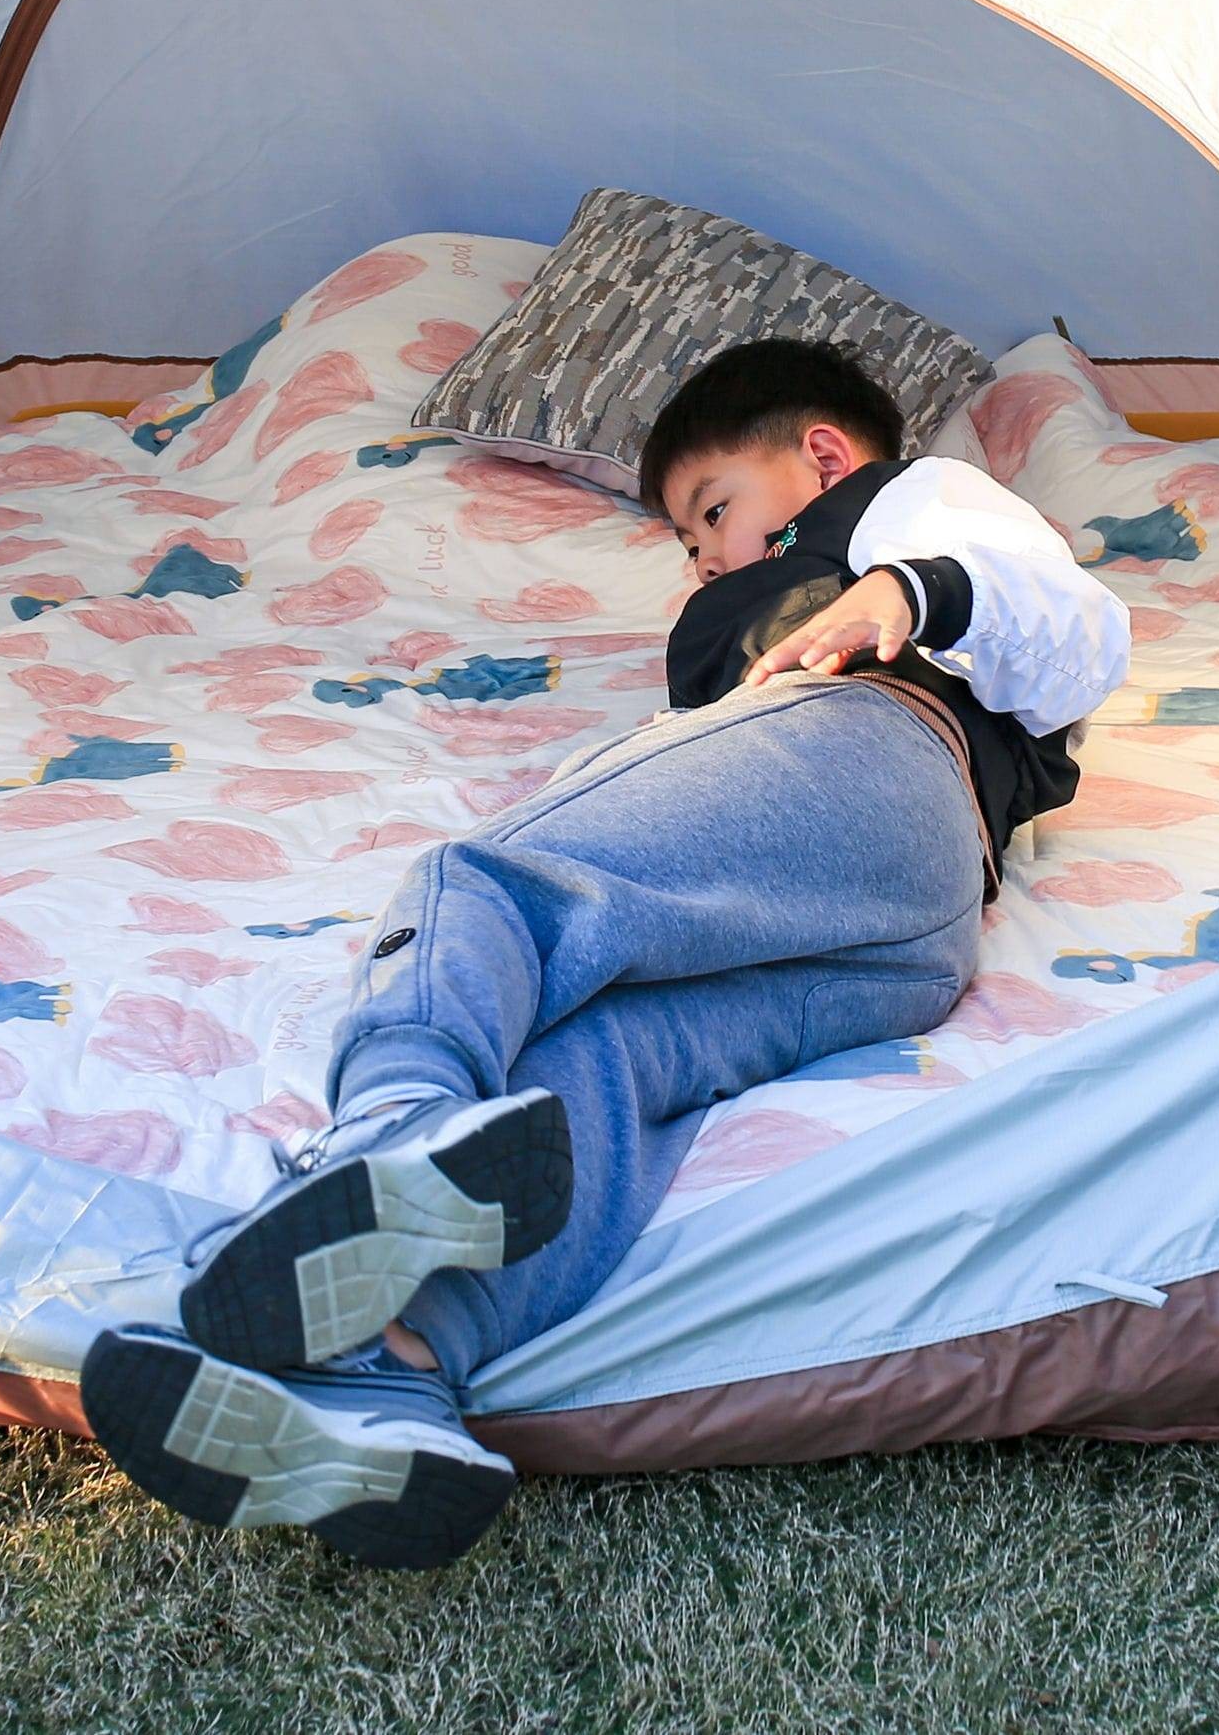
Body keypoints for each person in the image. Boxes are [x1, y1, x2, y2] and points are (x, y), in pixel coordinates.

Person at [77, 337, 1131, 1567]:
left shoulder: (905, 508)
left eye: (712, 512)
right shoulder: (795, 580)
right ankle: (401, 1371)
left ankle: (391, 1123)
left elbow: (1080, 626)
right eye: (689, 541)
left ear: (825, 455)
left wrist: (905, 594)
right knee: (609, 1054)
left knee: (486, 884)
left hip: (855, 754)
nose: (702, 555)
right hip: (912, 928)